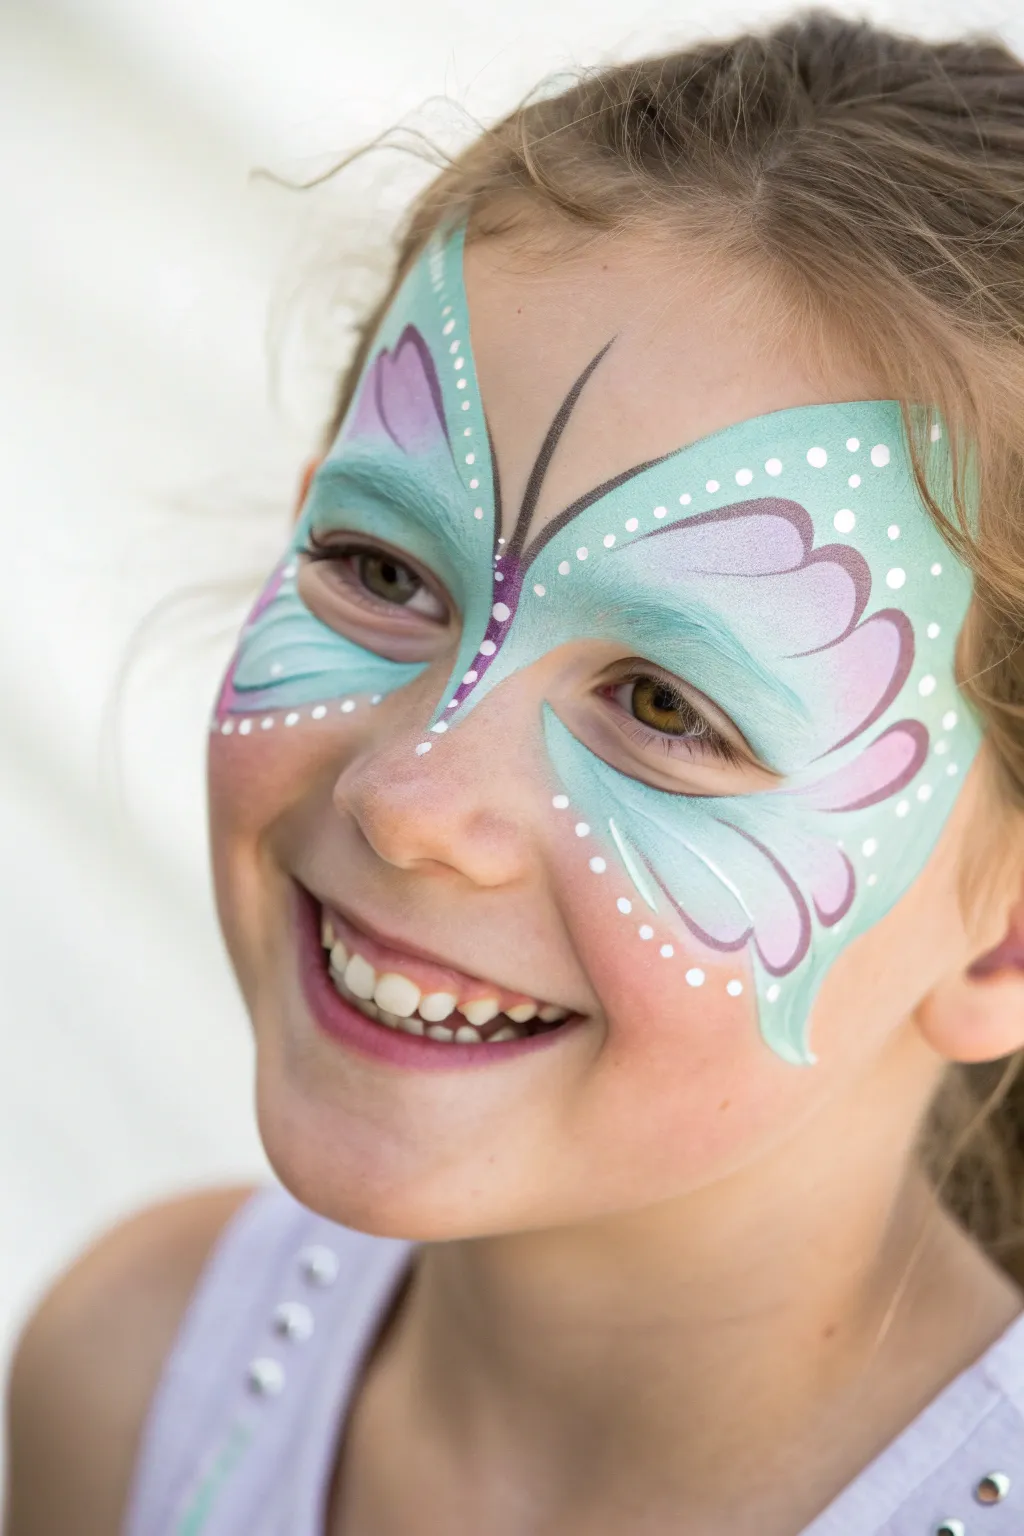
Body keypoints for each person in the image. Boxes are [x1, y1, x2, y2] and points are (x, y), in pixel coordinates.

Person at [7, 11, 1024, 1534]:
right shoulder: (131, 1382)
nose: (407, 801)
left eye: (669, 706)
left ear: (1002, 932)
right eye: (376, 568)